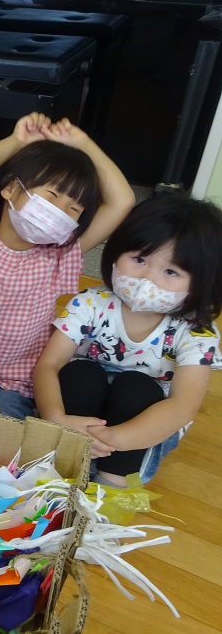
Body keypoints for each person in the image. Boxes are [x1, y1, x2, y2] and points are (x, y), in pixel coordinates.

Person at [0, 112, 134, 419]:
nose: (59, 211)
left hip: (10, 385)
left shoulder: (60, 255)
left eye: (73, 208)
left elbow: (122, 201)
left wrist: (82, 142)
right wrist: (17, 140)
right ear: (10, 188)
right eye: (52, 195)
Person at [34, 195, 222, 485]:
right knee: (80, 372)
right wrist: (56, 417)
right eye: (139, 259)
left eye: (170, 271)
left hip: (137, 430)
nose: (147, 278)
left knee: (138, 387)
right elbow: (49, 364)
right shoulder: (90, 303)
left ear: (203, 283)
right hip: (77, 411)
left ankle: (113, 481)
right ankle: (64, 462)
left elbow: (182, 405)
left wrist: (114, 439)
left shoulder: (196, 331)